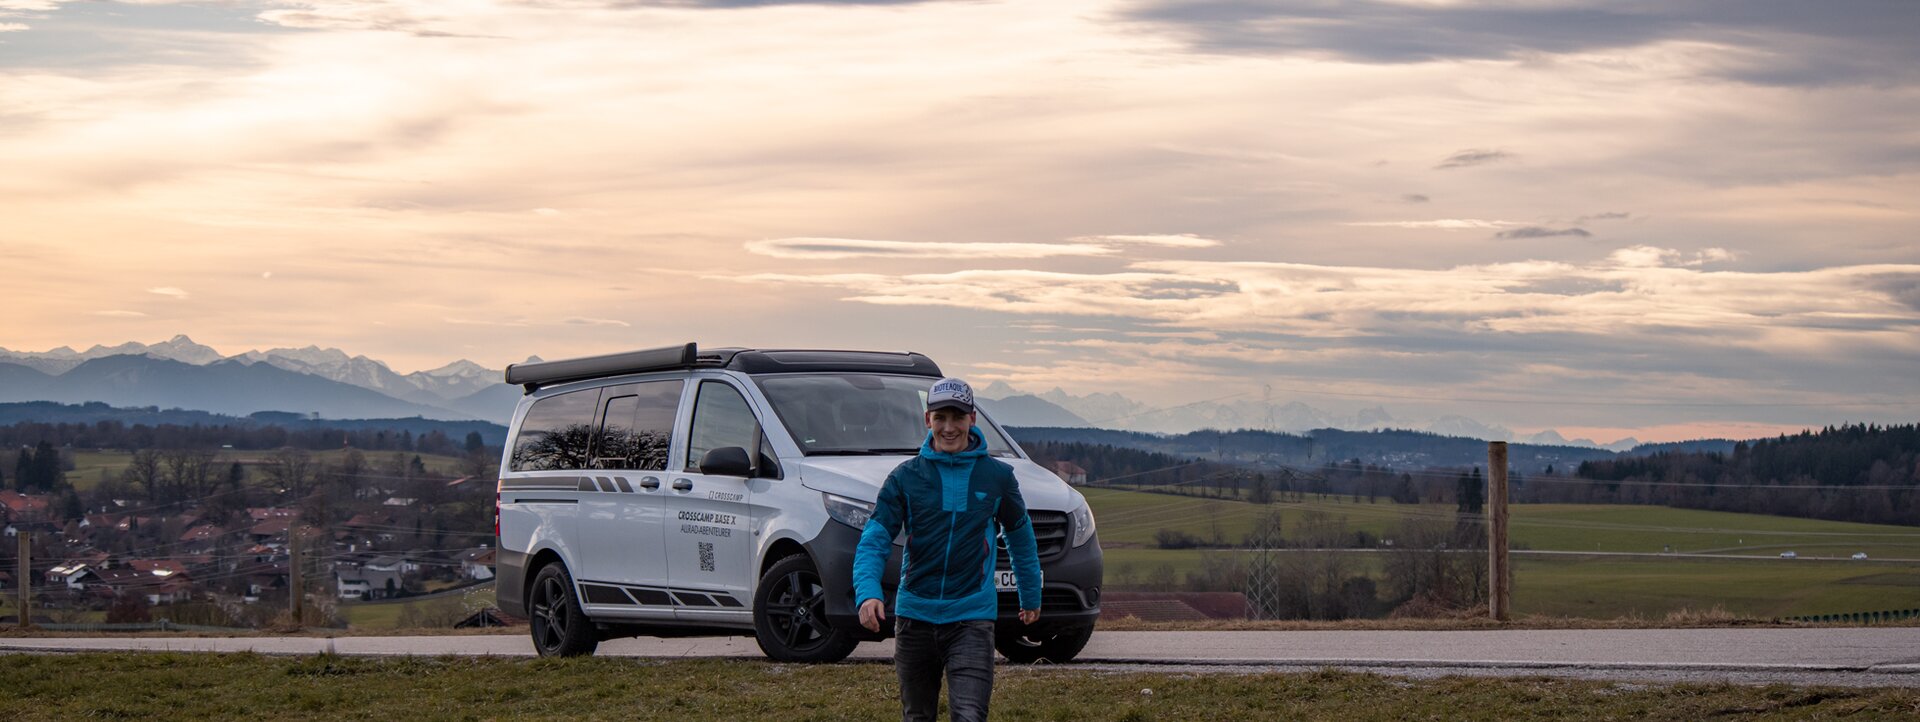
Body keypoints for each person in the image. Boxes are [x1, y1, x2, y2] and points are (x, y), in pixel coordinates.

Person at [853, 377, 1042, 722]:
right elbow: (875, 538)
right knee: (917, 716)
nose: (949, 427)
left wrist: (1030, 597)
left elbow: (1020, 536)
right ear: (928, 421)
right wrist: (868, 593)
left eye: (957, 417)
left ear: (972, 419)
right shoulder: (905, 478)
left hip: (971, 619)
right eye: (940, 418)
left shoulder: (998, 477)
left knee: (969, 716)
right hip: (914, 620)